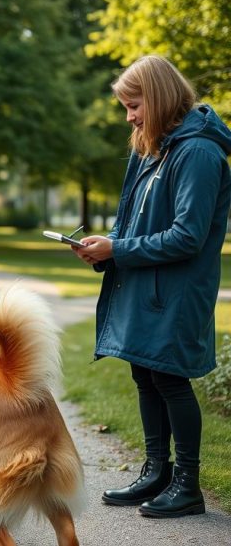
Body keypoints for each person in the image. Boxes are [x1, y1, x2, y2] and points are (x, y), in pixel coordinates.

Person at [73, 55, 231, 518]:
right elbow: (139, 223)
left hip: (178, 289)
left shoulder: (198, 152)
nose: (130, 116)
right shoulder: (158, 147)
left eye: (134, 104)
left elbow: (188, 235)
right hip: (151, 284)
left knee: (169, 377)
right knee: (145, 371)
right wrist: (108, 245)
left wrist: (118, 250)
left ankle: (188, 485)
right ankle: (156, 472)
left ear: (159, 97)